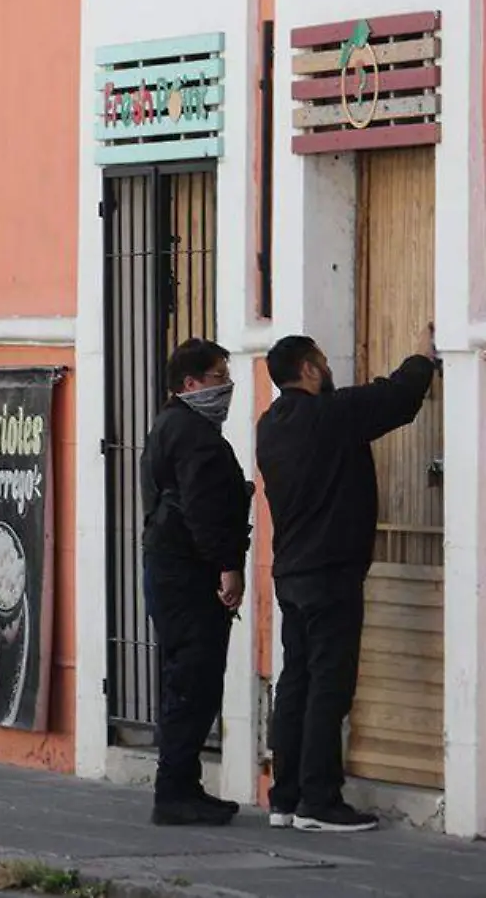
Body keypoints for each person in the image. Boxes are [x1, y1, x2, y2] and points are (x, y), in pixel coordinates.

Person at [257, 329, 436, 833]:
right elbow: (395, 398)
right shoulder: (330, 417)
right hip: (330, 574)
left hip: (291, 572)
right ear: (310, 370)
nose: (328, 370)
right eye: (322, 363)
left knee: (295, 684)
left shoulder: (270, 425)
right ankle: (319, 801)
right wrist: (423, 356)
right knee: (328, 687)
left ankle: (285, 798)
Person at [139, 339, 252, 826]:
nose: (227, 385)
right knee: (194, 680)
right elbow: (201, 508)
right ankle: (175, 791)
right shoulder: (196, 436)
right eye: (218, 376)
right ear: (191, 384)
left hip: (169, 567)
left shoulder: (169, 425)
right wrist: (229, 566)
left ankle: (183, 785)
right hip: (189, 573)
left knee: (185, 677)